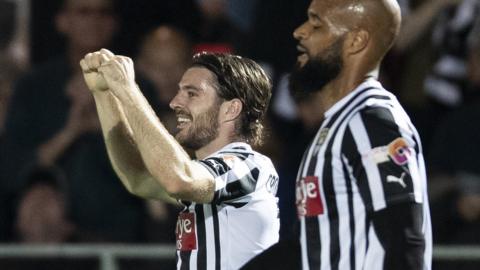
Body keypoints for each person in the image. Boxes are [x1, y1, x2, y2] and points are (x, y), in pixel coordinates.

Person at [243, 0, 432, 269]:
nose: (299, 31)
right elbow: (308, 246)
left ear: (356, 41)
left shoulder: (372, 121)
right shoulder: (337, 126)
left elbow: (405, 239)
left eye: (316, 24)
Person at [80, 49, 280, 269]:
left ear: (231, 109)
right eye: (179, 92)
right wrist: (105, 94)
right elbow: (138, 178)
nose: (175, 102)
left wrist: (128, 90)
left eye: (192, 94)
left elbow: (178, 178)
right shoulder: (205, 176)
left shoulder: (250, 166)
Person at [0, 0, 147, 242]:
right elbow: (11, 169)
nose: (94, 21)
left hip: (120, 238)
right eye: (84, 12)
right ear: (62, 21)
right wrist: (71, 130)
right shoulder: (34, 86)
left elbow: (154, 170)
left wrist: (104, 125)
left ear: (115, 23)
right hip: (41, 242)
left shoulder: (137, 86)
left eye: (103, 13)